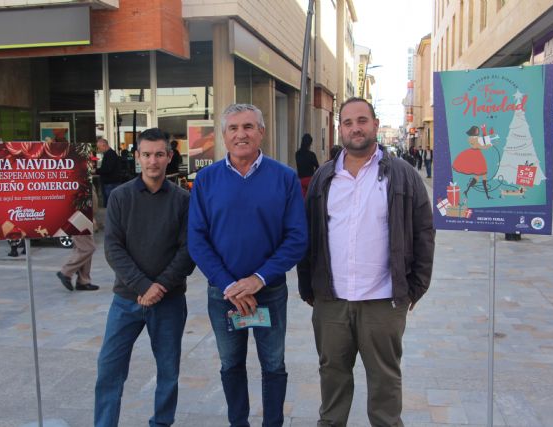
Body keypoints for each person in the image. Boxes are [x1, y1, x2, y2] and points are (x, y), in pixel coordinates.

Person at [297, 97, 435, 427]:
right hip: (332, 302)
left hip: (383, 302)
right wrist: (308, 288)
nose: (355, 128)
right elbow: (308, 234)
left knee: (385, 384)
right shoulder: (324, 177)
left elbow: (424, 232)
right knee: (332, 379)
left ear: (375, 124)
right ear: (340, 129)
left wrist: (415, 288)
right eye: (348, 122)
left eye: (362, 120)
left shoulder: (402, 175)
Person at [188, 103, 308, 427]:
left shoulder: (284, 178)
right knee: (230, 364)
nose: (241, 134)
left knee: (274, 365)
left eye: (248, 127)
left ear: (261, 132)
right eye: (233, 128)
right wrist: (229, 284)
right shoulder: (206, 179)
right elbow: (196, 239)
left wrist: (259, 278)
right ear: (223, 135)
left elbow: (297, 238)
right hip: (224, 295)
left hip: (268, 292)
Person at [94, 128, 195, 427]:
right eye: (147, 154)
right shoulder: (120, 197)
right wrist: (143, 286)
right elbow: (113, 248)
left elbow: (189, 250)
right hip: (126, 300)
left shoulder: (183, 200)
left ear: (169, 156)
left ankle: (161, 423)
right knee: (109, 370)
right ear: (137, 156)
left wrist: (160, 286)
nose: (153, 161)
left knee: (168, 372)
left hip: (168, 301)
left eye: (159, 154)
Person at [56, 190, 100, 292]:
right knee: (88, 248)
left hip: (83, 215)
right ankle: (66, 272)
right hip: (79, 216)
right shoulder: (77, 182)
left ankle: (83, 281)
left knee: (83, 248)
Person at [452, 125, 494, 199]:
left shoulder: (471, 138)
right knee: (483, 175)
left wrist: (484, 133)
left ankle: (467, 191)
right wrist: (489, 145)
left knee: (477, 178)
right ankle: (487, 195)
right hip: (477, 157)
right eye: (477, 130)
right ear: (473, 131)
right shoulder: (475, 138)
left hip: (475, 154)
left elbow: (482, 142)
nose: (478, 131)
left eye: (478, 130)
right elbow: (481, 146)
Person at [96, 138, 123, 207]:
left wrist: (96, 171)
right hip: (111, 183)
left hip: (111, 183)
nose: (99, 150)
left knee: (110, 204)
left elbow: (107, 169)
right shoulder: (109, 154)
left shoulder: (110, 154)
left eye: (99, 148)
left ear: (104, 145)